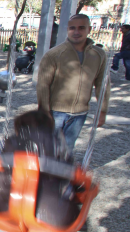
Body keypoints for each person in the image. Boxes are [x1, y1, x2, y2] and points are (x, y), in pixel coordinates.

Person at [36, 14, 109, 152]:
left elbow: (102, 84)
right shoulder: (54, 54)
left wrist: (102, 111)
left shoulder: (99, 55)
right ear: (67, 30)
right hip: (56, 111)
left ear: (89, 29)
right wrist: (44, 110)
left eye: (81, 28)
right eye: (72, 28)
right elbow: (43, 84)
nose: (76, 32)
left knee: (67, 147)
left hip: (80, 113)